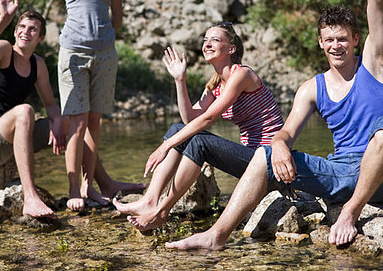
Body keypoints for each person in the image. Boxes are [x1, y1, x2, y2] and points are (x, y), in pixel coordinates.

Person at [166, 0, 383, 250]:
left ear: (355, 39)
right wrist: (278, 145)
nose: (336, 45)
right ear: (320, 44)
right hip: (340, 172)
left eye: (342, 38)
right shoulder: (311, 88)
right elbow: (286, 132)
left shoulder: (375, 64)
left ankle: (350, 213)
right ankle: (216, 236)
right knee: (265, 153)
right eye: (329, 40)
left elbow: (375, 0)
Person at [12, 0, 144, 211]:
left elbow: (118, 17)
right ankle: (74, 189)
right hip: (73, 53)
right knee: (78, 122)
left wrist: (103, 38)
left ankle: (89, 185)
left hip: (105, 55)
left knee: (94, 122)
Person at [113, 22, 285, 231]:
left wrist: (165, 147)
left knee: (200, 142)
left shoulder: (242, 75)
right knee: (178, 129)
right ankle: (150, 200)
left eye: (214, 39)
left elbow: (207, 119)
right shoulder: (215, 84)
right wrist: (180, 80)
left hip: (269, 161)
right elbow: (190, 119)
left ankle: (162, 212)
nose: (207, 44)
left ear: (231, 49)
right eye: (205, 40)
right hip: (250, 160)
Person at [0, 0, 66, 219]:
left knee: (72, 122)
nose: (25, 31)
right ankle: (30, 198)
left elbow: (51, 104)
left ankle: (87, 188)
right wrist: (4, 18)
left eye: (33, 29)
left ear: (41, 38)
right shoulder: (3, 50)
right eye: (21, 27)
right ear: (15, 31)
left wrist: (57, 122)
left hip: (12, 139)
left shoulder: (38, 65)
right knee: (25, 111)